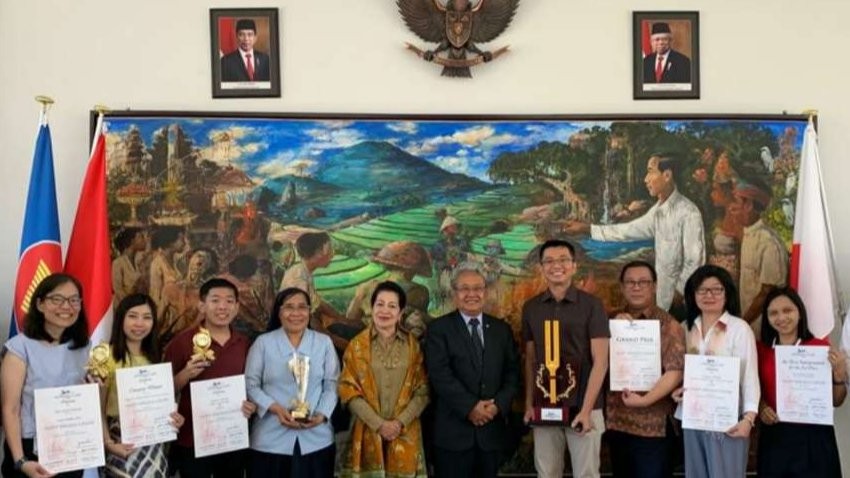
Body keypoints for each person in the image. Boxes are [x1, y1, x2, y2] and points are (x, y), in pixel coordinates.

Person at [565, 154, 705, 312]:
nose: (646, 179)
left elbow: (695, 262)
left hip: (680, 303)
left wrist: (679, 294)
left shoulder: (688, 212)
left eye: (650, 172)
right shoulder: (658, 211)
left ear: (667, 175)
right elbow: (627, 231)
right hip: (663, 301)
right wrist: (588, 229)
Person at [521, 239, 609, 478]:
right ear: (541, 267)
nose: (555, 266)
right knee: (547, 472)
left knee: (587, 474)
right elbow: (530, 361)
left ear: (574, 265)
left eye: (563, 260)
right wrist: (529, 404)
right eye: (548, 261)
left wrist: (586, 410)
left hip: (585, 406)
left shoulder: (592, 305)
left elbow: (601, 361)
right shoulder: (531, 308)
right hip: (544, 406)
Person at [426, 263, 520, 478]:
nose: (472, 294)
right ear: (454, 294)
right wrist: (471, 407)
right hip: (453, 436)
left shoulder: (501, 330)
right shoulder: (439, 330)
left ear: (485, 292)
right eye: (464, 288)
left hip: (491, 435)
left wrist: (496, 407)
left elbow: (512, 374)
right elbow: (440, 376)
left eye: (477, 288)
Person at [163, 278, 256, 478]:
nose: (223, 306)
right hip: (193, 439)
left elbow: (251, 386)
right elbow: (162, 392)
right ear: (202, 306)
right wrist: (185, 374)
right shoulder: (182, 343)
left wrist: (252, 405)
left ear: (237, 307)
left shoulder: (244, 343)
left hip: (232, 436)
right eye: (215, 300)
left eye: (229, 301)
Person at [672, 265, 758, 478]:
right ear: (693, 295)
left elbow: (749, 377)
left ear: (727, 293)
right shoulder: (685, 328)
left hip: (729, 421)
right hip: (693, 417)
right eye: (702, 290)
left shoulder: (739, 329)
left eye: (716, 289)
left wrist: (748, 419)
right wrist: (676, 391)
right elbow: (679, 371)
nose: (709, 295)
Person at [1, 273, 91, 478]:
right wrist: (20, 461)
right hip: (29, 449)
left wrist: (94, 387)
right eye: (57, 299)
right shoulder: (19, 348)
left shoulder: (83, 346)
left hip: (71, 444)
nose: (66, 306)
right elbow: (11, 409)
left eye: (74, 300)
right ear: (40, 304)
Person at [245, 287, 339, 478]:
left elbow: (332, 384)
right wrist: (275, 409)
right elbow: (250, 384)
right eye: (289, 307)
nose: (296, 313)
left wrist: (321, 415)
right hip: (270, 439)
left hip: (317, 438)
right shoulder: (263, 343)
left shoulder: (324, 343)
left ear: (309, 311)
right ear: (279, 312)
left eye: (302, 307)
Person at [339, 281, 429, 477]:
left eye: (392, 306)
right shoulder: (356, 346)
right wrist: (379, 424)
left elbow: (423, 390)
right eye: (380, 304)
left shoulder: (413, 347)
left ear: (400, 312)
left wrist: (399, 423)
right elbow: (348, 390)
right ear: (372, 308)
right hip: (367, 431)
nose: (385, 311)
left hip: (405, 431)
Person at [605, 261, 685, 478]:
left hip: (653, 429)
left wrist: (646, 399)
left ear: (655, 286)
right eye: (630, 282)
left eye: (643, 282)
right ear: (622, 287)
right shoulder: (609, 321)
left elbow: (675, 371)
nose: (636, 287)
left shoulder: (669, 325)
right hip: (618, 423)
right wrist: (615, 329)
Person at [756, 287, 845, 477]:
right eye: (774, 313)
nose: (781, 318)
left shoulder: (820, 348)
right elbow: (752, 390)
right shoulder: (761, 351)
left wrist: (838, 377)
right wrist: (762, 407)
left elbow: (837, 401)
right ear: (767, 318)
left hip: (815, 436)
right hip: (776, 433)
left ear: (799, 312)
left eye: (787, 310)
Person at [101, 294, 185, 477]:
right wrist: (109, 444)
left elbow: (161, 404)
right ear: (121, 318)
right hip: (120, 442)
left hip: (154, 444)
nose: (139, 323)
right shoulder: (104, 356)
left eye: (147, 317)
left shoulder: (155, 358)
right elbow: (97, 408)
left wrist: (174, 419)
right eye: (132, 316)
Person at [280, 231, 361, 349]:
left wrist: (343, 319)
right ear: (317, 253)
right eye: (328, 250)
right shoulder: (298, 280)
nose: (332, 255)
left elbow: (318, 303)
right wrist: (339, 342)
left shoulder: (302, 271)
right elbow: (309, 321)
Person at [730, 180, 788, 325]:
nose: (731, 207)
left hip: (764, 330)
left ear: (749, 205)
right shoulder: (748, 234)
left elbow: (767, 292)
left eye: (735, 201)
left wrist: (743, 323)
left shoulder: (768, 243)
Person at [112, 227, 147, 305]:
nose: (144, 240)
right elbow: (118, 291)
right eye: (140, 237)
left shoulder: (140, 261)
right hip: (123, 308)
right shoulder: (118, 263)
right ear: (132, 241)